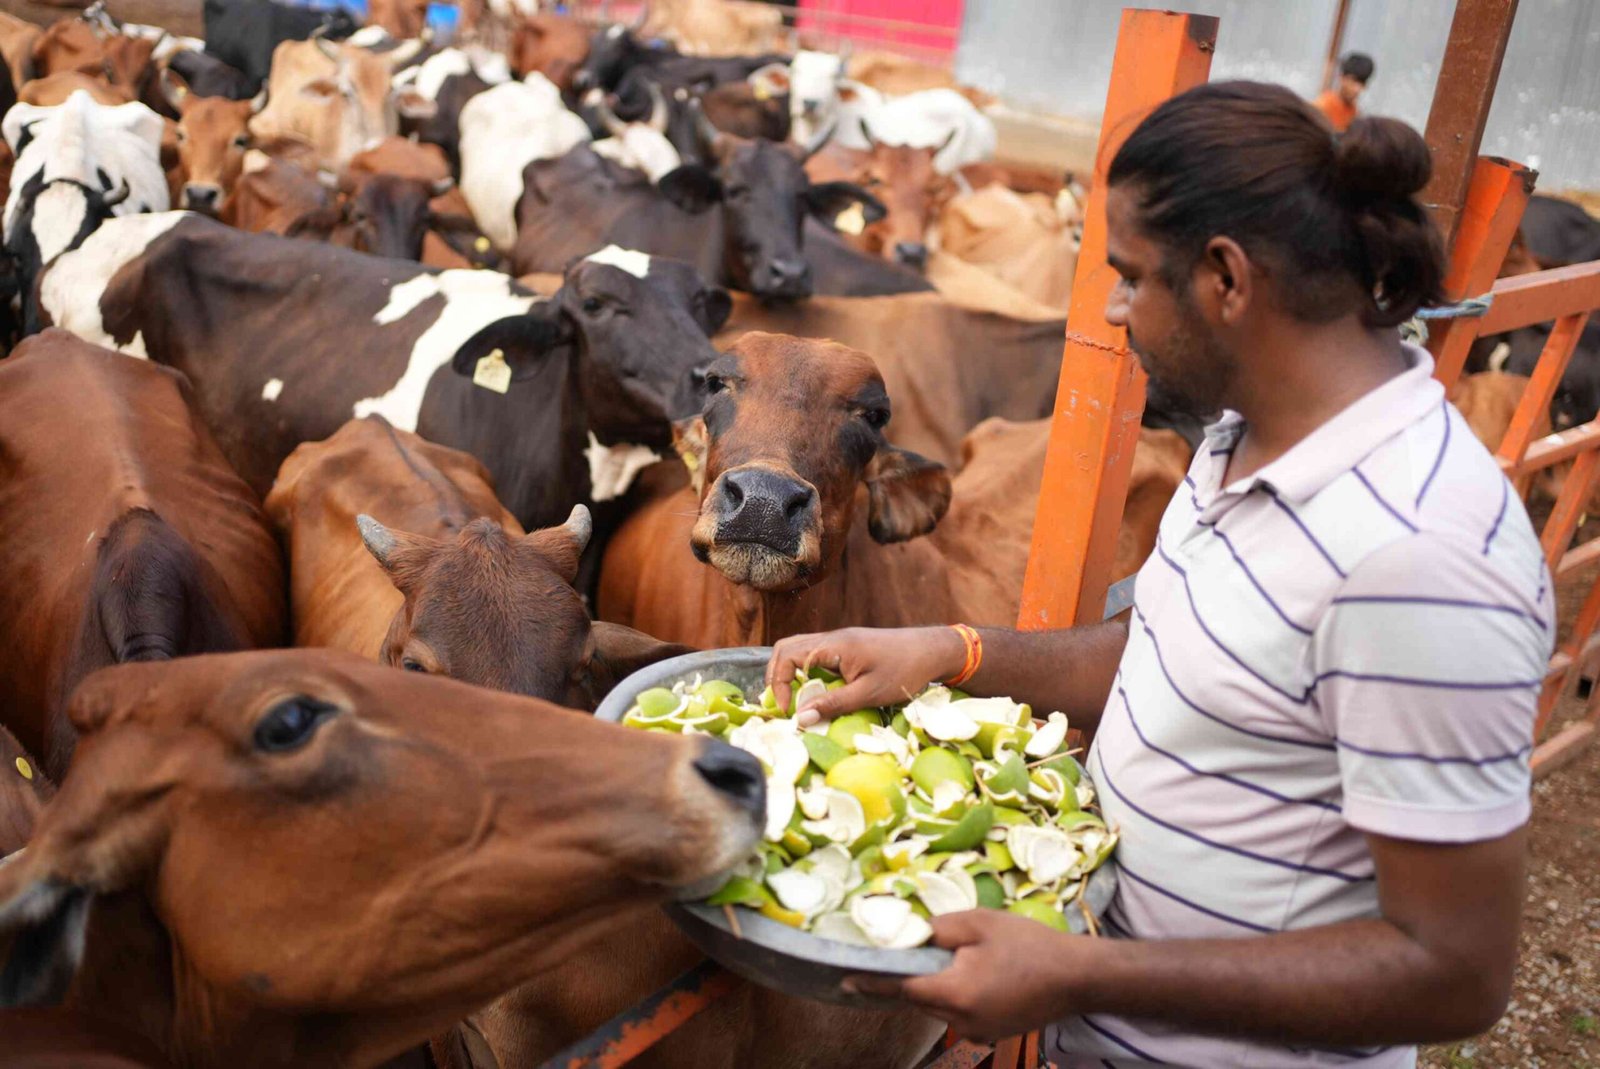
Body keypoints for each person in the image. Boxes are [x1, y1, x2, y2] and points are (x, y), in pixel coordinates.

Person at [765, 81, 1550, 1069]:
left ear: (1224, 278)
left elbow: (1453, 969)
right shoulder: (1240, 440)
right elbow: (1170, 647)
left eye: (1131, 275)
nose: (1106, 304)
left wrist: (1080, 972)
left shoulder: (1421, 559)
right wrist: (954, 652)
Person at [1315, 52, 1375, 132]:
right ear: (1342, 77)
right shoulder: (1323, 106)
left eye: (1361, 84)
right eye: (1353, 81)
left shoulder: (1356, 116)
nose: (1357, 89)